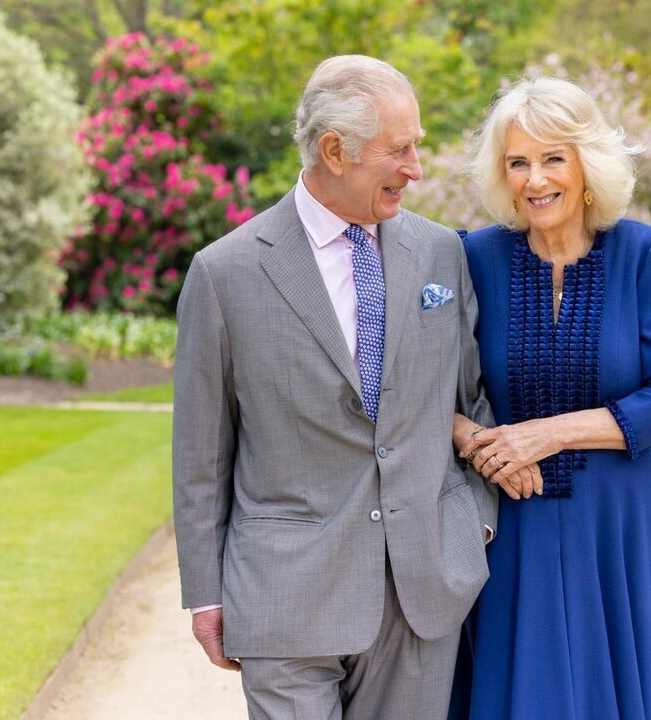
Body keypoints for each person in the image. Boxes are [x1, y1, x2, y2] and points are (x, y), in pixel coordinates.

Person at [172, 55, 540, 720]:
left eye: (417, 146)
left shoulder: (439, 253)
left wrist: (470, 522)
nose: (417, 168)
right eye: (399, 149)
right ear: (334, 151)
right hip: (285, 598)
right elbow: (200, 451)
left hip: (420, 589)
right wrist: (204, 591)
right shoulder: (224, 273)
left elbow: (470, 397)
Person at [449, 76, 651, 719]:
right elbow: (427, 388)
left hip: (625, 522)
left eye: (552, 159)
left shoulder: (650, 253)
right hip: (514, 518)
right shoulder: (469, 258)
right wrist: (477, 443)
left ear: (586, 165)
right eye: (518, 162)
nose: (535, 179)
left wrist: (549, 432)